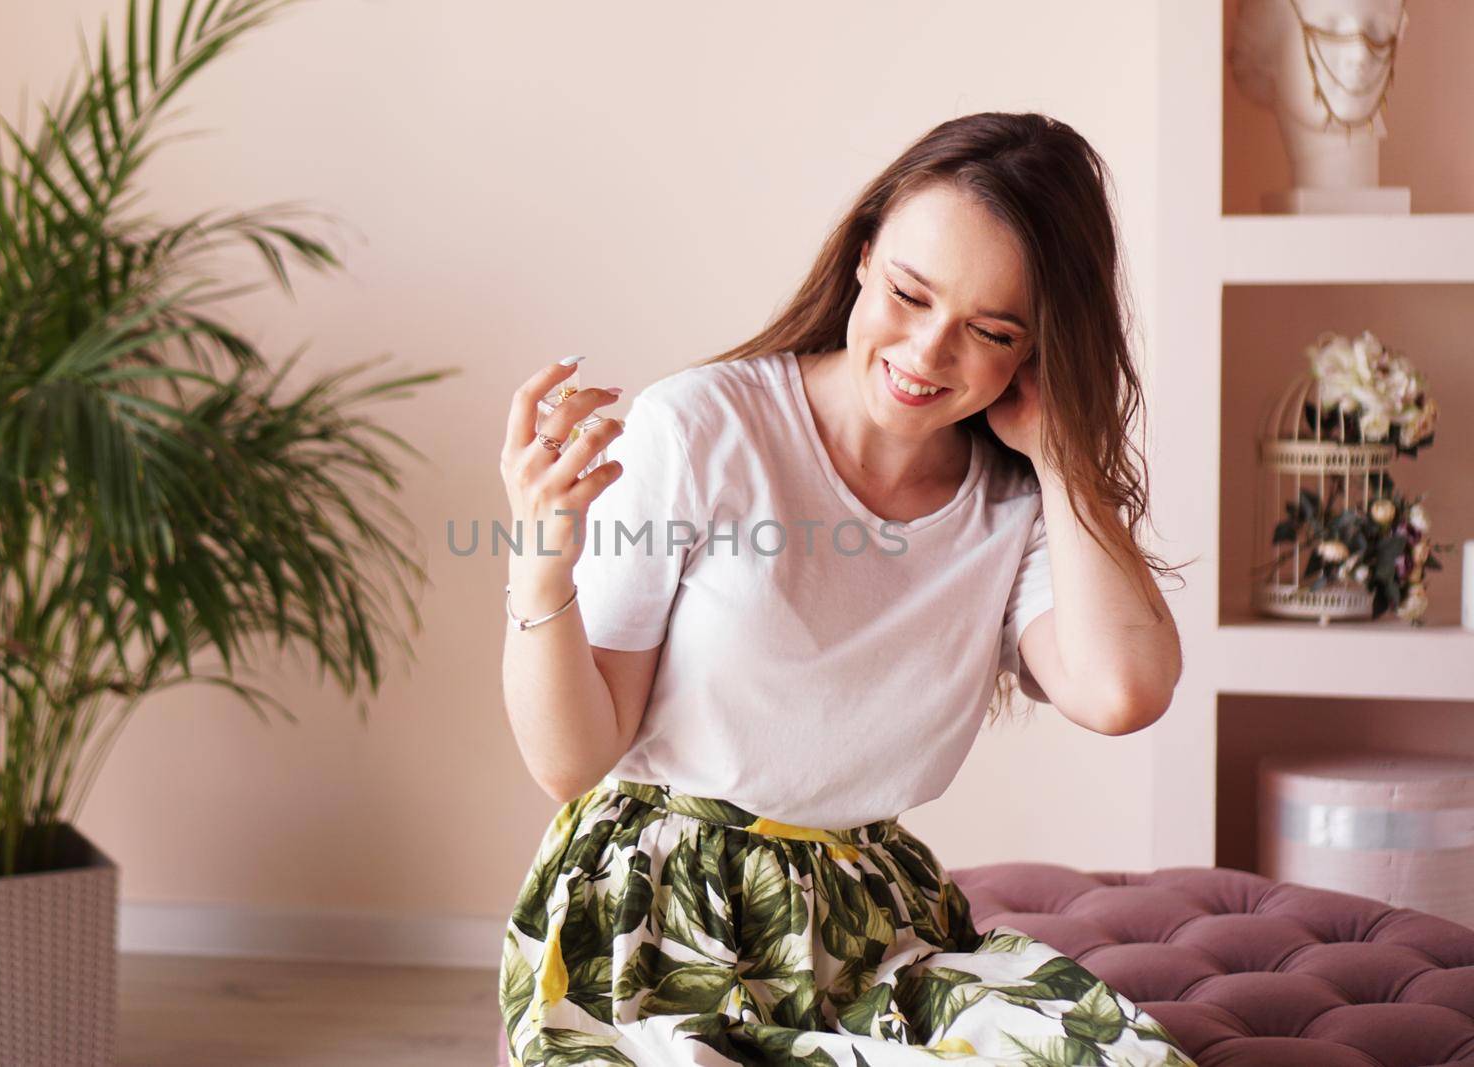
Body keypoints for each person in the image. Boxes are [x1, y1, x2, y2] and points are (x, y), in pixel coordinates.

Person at [496, 111, 1195, 1066]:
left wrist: (1066, 457)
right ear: (864, 255)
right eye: (909, 294)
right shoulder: (702, 428)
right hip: (656, 921)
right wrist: (541, 561)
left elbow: (1124, 691)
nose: (928, 354)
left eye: (989, 331)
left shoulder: (1016, 498)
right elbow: (572, 760)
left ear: (1035, 351)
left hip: (878, 930)